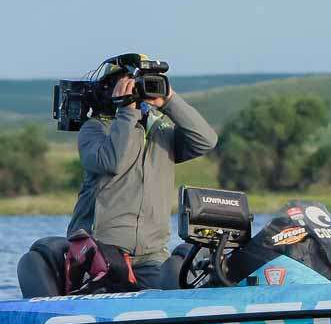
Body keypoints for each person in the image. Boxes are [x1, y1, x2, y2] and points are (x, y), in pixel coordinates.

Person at [66, 58, 218, 289]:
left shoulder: (160, 131)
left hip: (152, 254)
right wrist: (126, 110)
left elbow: (206, 141)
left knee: (174, 290)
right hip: (102, 249)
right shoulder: (94, 129)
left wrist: (169, 101)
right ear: (111, 88)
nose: (137, 90)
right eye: (131, 84)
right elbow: (112, 161)